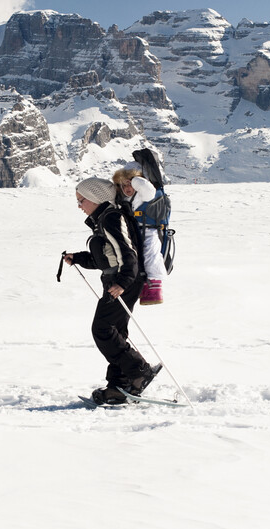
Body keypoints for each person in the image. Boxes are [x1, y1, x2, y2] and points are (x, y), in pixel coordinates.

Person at [63, 178, 159, 405]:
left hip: (123, 282)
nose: (79, 206)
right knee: (115, 331)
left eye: (81, 200)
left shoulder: (111, 218)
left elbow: (128, 253)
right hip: (118, 281)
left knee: (103, 329)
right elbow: (105, 258)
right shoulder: (103, 219)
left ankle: (138, 371)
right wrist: (77, 258)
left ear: (95, 198)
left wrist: (123, 282)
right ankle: (119, 386)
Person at [111, 166, 168, 305]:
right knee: (133, 258)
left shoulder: (144, 194)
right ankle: (140, 286)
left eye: (129, 184)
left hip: (148, 230)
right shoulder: (123, 198)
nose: (127, 188)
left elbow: (148, 189)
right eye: (123, 185)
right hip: (132, 231)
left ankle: (154, 286)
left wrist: (134, 178)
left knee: (151, 253)